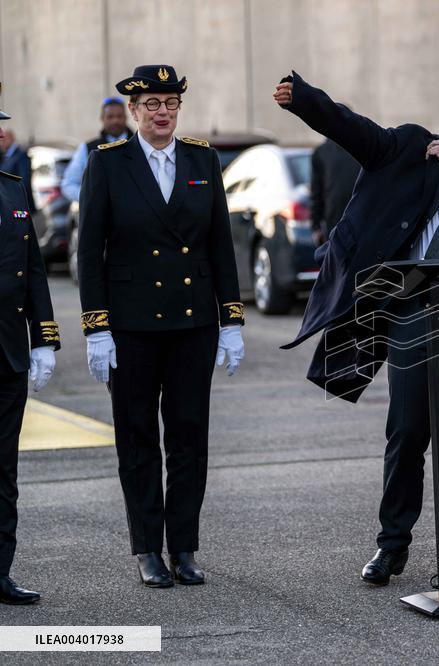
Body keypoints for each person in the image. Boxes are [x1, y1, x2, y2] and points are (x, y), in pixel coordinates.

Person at [273, 70, 439, 585]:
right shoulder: (418, 150)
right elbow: (356, 130)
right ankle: (392, 545)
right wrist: (305, 100)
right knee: (406, 433)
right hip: (414, 312)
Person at [77, 65, 246, 587]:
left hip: (192, 323)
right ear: (133, 110)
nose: (163, 111)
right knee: (138, 440)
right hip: (131, 326)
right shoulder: (108, 163)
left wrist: (231, 318)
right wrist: (96, 327)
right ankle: (148, 548)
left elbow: (219, 243)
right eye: (151, 103)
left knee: (189, 438)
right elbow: (89, 251)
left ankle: (185, 548)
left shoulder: (202, 159)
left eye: (170, 102)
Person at [0, 94, 60, 604]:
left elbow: (33, 270)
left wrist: (44, 339)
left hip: (7, 354)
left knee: (4, 472)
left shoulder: (12, 188)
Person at [60, 96, 132, 204]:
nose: (115, 121)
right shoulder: (88, 148)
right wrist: (91, 199)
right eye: (110, 117)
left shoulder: (140, 144)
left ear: (126, 118)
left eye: (119, 116)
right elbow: (68, 184)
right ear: (102, 119)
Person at [310, 138, 360, 243]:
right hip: (351, 219)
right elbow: (316, 192)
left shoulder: (321, 152)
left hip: (338, 220)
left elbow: (316, 193)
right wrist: (316, 225)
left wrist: (316, 226)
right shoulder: (364, 146)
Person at [0, 130, 33, 213]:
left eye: (3, 140)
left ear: (11, 139)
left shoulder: (21, 155)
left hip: (19, 206)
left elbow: (24, 182)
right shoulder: (6, 156)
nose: (1, 143)